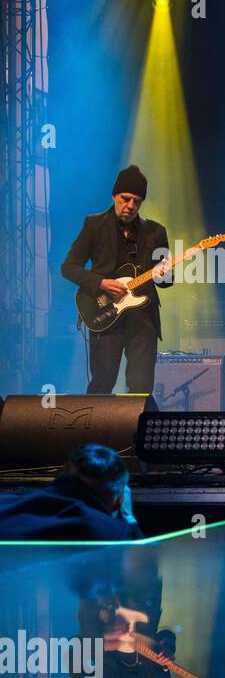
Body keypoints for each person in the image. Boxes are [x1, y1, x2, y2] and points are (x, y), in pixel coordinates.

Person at [61, 165, 173, 394]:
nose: (131, 206)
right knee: (103, 381)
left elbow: (165, 281)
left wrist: (165, 273)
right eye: (126, 198)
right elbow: (69, 268)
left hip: (143, 316)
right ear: (114, 196)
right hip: (104, 312)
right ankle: (97, 431)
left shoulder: (155, 232)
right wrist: (101, 283)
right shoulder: (94, 226)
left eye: (137, 201)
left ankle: (136, 429)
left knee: (141, 385)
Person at [0, 443, 142, 540]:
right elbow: (147, 579)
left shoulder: (4, 505)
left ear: (63, 471)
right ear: (119, 502)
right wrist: (129, 519)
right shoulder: (112, 532)